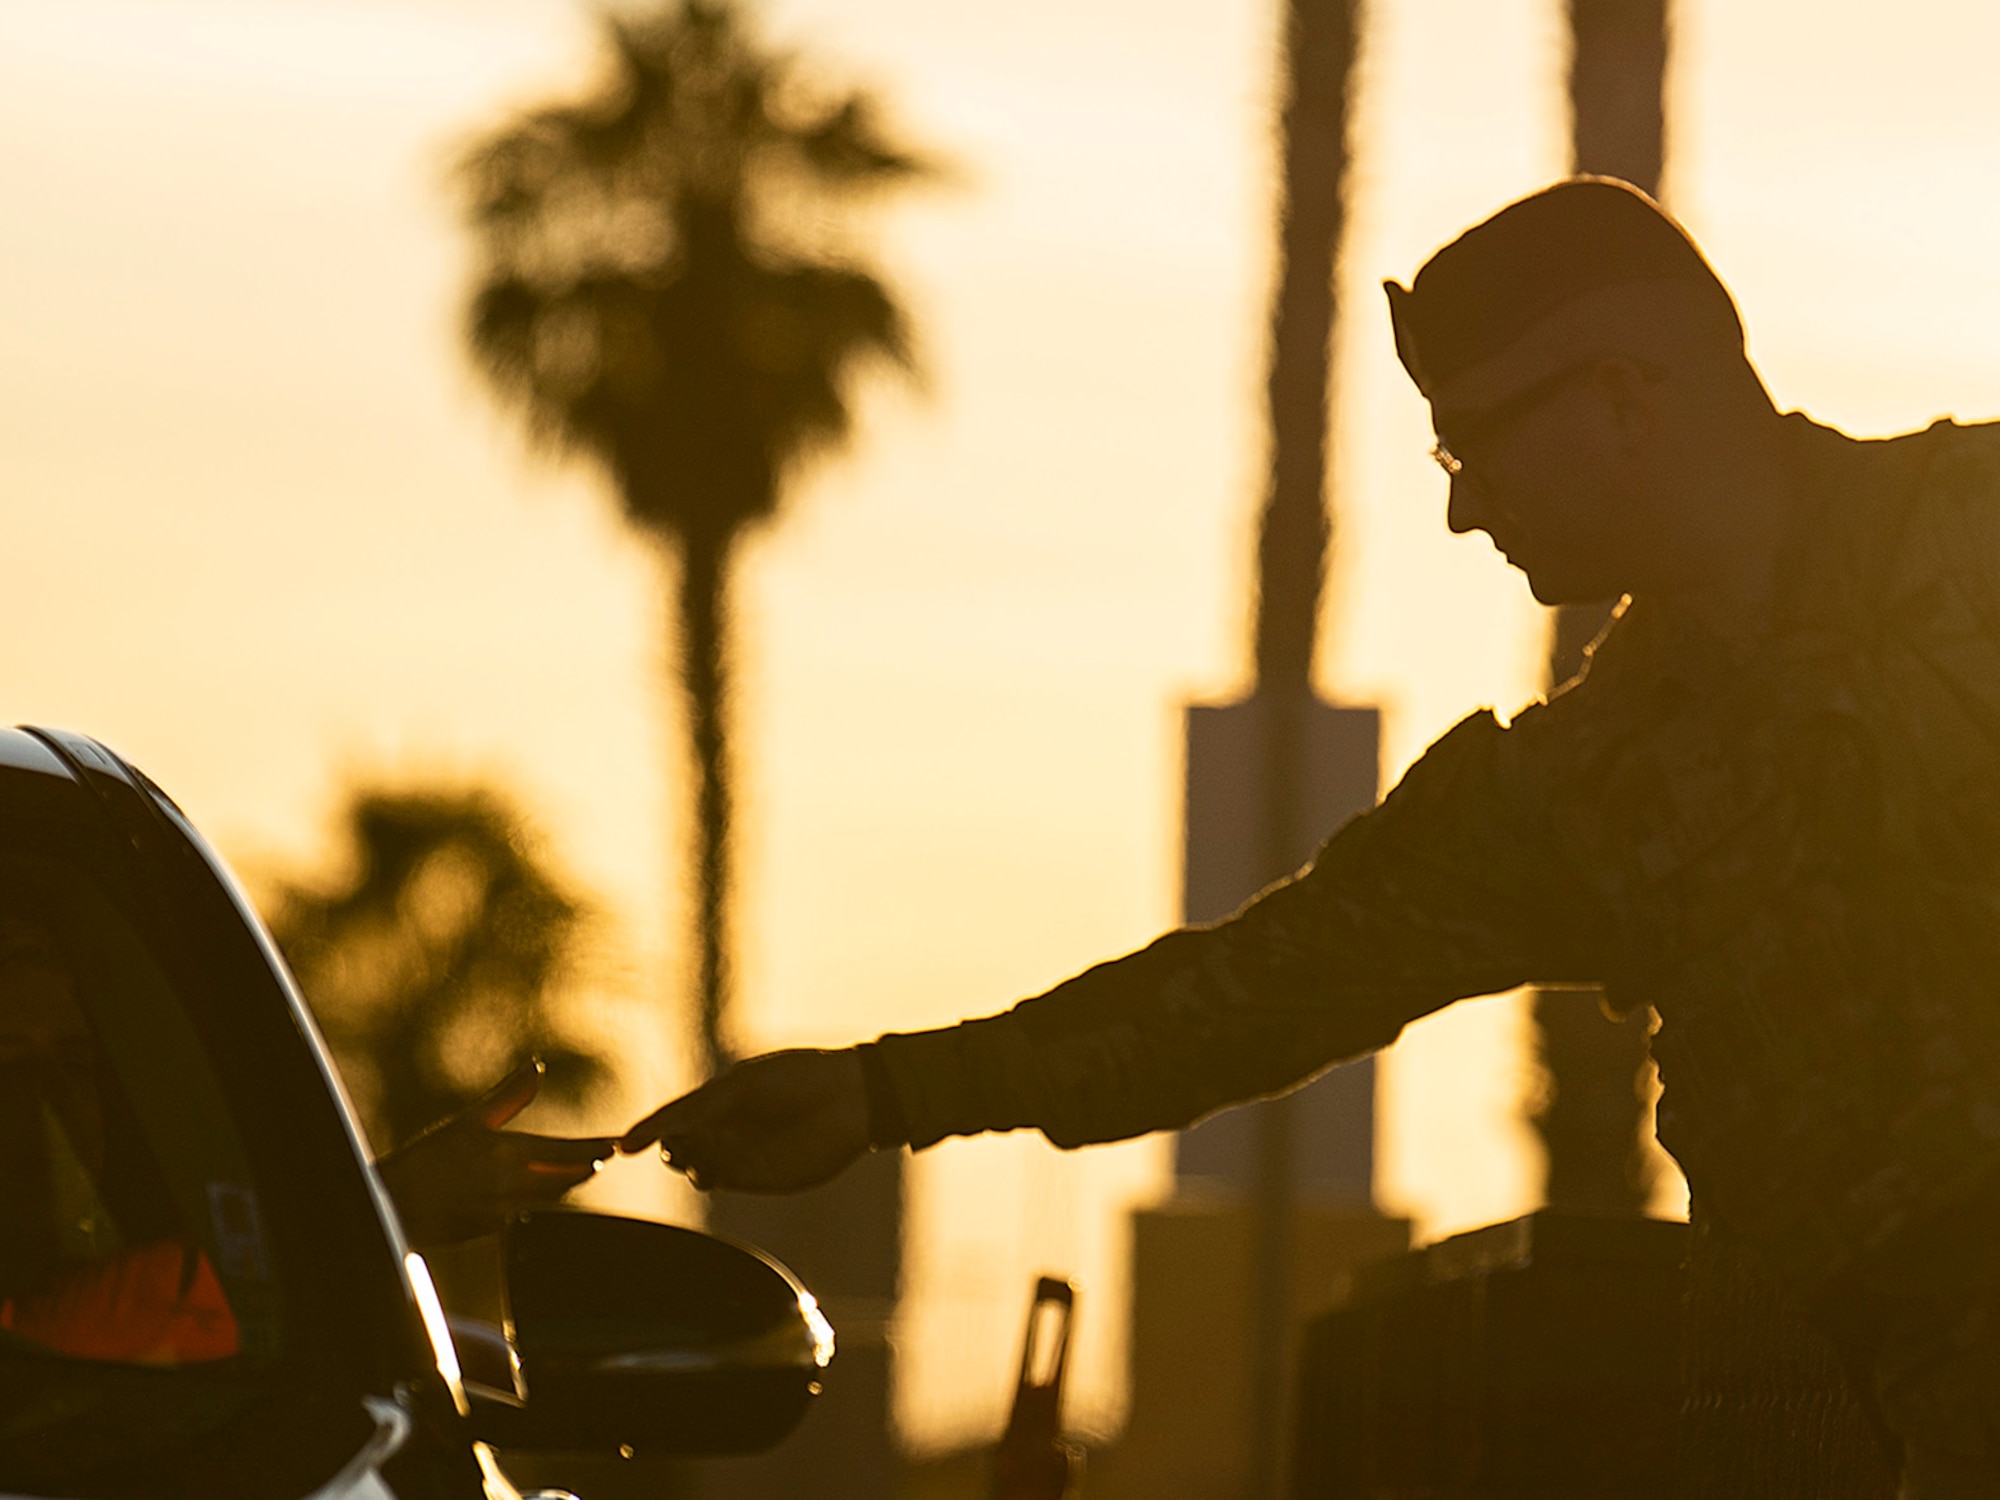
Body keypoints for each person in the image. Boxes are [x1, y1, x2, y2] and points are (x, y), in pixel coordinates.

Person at [618, 178, 2000, 1493]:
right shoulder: (1584, 791)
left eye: (1473, 446)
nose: (1461, 504)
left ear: (1623, 402)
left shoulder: (1971, 541)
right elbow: (1255, 991)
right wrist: (885, 1093)